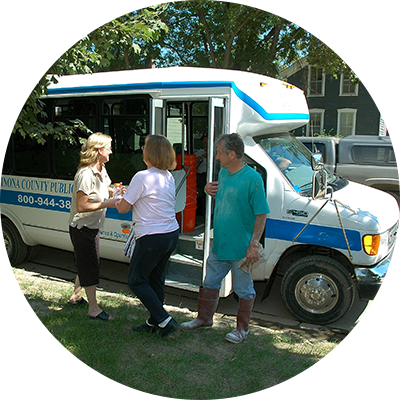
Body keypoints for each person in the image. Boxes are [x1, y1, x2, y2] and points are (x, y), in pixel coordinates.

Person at [181, 133, 269, 343]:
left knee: (243, 290)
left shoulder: (253, 179)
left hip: (240, 249)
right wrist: (207, 190)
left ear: (232, 154)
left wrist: (253, 246)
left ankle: (242, 330)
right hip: (220, 245)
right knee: (209, 282)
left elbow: (261, 214)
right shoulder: (223, 173)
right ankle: (204, 319)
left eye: (220, 152)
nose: (217, 157)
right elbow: (226, 199)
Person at [118, 134, 180, 337]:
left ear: (151, 152)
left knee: (136, 280)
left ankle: (164, 320)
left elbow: (123, 208)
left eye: (144, 146)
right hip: (170, 233)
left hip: (151, 236)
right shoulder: (168, 176)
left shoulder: (142, 176)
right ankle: (155, 322)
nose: (141, 149)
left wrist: (117, 197)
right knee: (156, 278)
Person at [68, 132, 120, 321]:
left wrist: (116, 191)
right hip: (82, 228)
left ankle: (76, 296)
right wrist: (106, 203)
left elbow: (106, 187)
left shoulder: (101, 168)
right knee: (90, 265)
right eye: (109, 148)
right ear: (99, 151)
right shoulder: (85, 174)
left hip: (92, 226)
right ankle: (93, 308)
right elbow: (81, 206)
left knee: (85, 261)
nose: (111, 152)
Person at [195, 133, 208, 216]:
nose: (205, 144)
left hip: (211, 176)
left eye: (207, 142)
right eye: (204, 142)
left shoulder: (217, 152)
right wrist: (196, 160)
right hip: (200, 177)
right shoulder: (199, 153)